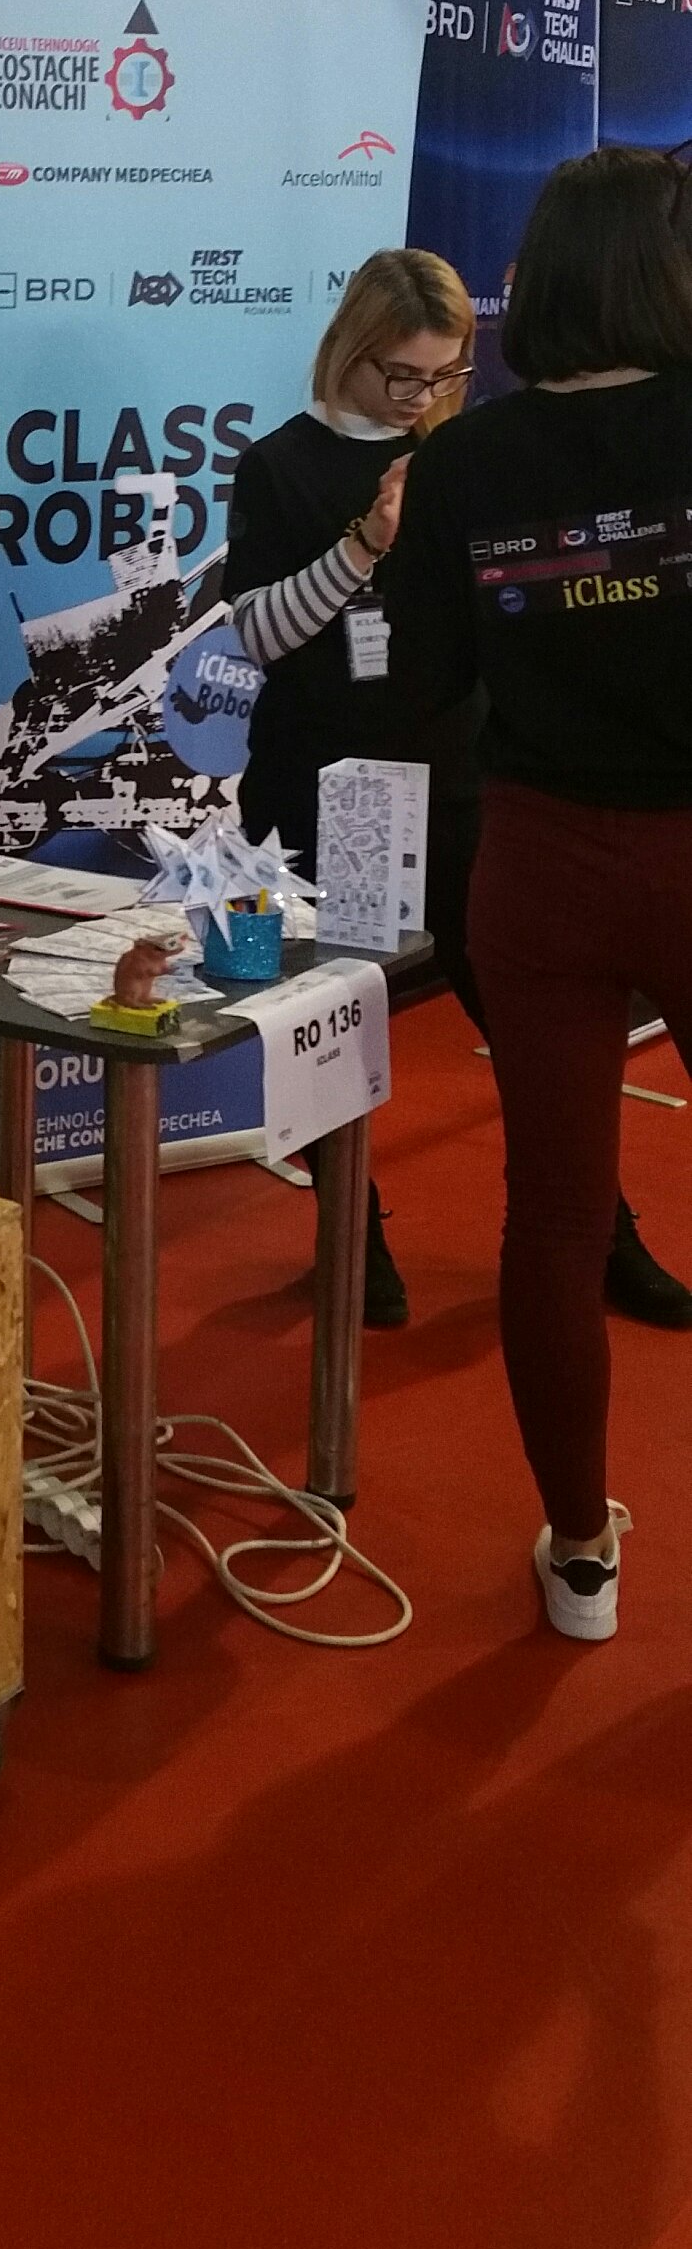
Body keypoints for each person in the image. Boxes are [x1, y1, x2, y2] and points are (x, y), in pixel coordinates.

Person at [226, 248, 691, 1334]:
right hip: (324, 783)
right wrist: (363, 545)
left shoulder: (471, 456)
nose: (420, 397)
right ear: (350, 348)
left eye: (444, 376)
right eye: (402, 374)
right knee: (327, 1026)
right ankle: (353, 1233)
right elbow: (257, 634)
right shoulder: (282, 466)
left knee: (533, 1033)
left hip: (459, 778)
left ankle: (604, 1230)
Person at [386, 146, 692, 1640]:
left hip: (539, 866)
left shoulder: (462, 464)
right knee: (563, 1221)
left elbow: (425, 683)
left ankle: (580, 1556)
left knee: (555, 1219)